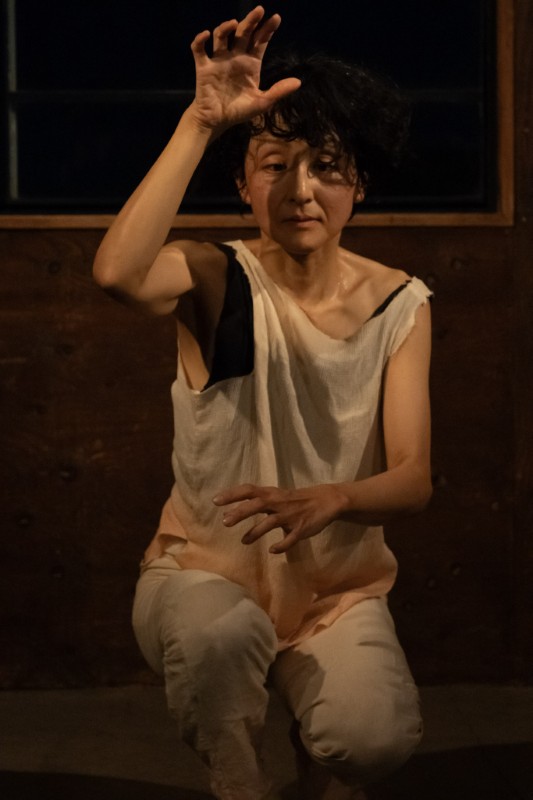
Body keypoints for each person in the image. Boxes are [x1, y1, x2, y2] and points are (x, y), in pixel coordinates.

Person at [93, 6, 432, 800]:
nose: (301, 190)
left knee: (371, 742)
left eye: (327, 167)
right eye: (275, 165)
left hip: (333, 594)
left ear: (358, 185)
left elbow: (413, 478)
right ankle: (237, 781)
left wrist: (335, 496)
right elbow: (117, 274)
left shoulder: (399, 302)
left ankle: (315, 745)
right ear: (244, 185)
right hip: (202, 577)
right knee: (219, 640)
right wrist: (200, 121)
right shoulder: (216, 276)